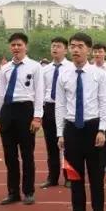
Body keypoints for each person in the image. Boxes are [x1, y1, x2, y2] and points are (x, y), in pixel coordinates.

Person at [55, 32, 106, 211]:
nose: (76, 50)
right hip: (72, 129)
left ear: (88, 49)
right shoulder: (64, 74)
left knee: (96, 176)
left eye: (80, 46)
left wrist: (102, 129)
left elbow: (105, 102)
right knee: (74, 175)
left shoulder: (100, 74)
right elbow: (60, 105)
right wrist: (60, 133)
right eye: (73, 46)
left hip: (93, 127)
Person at [0, 32, 44, 206]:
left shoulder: (34, 67)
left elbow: (39, 92)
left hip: (26, 110)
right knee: (9, 156)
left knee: (27, 154)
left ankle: (28, 191)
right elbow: (0, 95)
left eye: (19, 45)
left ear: (26, 46)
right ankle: (13, 192)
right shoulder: (6, 68)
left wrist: (37, 117)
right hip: (8, 110)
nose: (16, 48)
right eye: (13, 45)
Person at [40, 37, 70, 189]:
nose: (55, 49)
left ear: (65, 49)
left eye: (58, 46)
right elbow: (40, 92)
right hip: (49, 108)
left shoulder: (71, 68)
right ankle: (52, 177)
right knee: (51, 146)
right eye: (53, 46)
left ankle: (69, 176)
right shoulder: (44, 70)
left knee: (67, 146)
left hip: (65, 109)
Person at [91, 43, 106, 172]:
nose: (97, 54)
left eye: (100, 51)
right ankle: (95, 160)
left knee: (105, 134)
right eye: (95, 52)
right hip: (93, 108)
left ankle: (105, 162)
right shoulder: (89, 69)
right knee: (93, 134)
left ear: (105, 53)